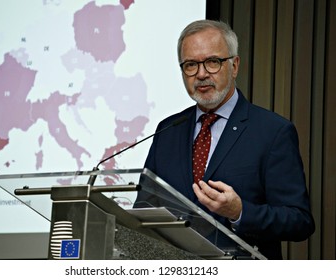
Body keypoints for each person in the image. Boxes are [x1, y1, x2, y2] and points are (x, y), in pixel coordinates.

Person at [135, 19, 315, 259]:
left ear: (235, 65)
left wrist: (240, 212)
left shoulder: (273, 132)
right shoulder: (167, 130)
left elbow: (299, 221)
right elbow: (144, 209)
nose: (201, 74)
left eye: (212, 62)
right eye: (190, 65)